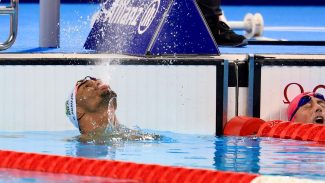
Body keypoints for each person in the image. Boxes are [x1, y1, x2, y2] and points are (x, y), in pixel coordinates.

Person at [65, 76, 159, 143]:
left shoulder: (142, 137)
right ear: (78, 111)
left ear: (114, 106)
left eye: (99, 81)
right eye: (87, 86)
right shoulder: (78, 144)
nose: (98, 82)